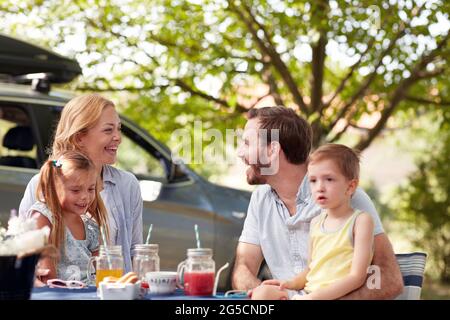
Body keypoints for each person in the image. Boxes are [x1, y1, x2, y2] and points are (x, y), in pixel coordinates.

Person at [233, 106, 403, 299]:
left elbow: (389, 278)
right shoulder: (260, 200)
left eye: (247, 143)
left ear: (272, 150)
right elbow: (243, 268)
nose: (240, 152)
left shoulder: (348, 197)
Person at [19, 93, 143, 277]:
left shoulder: (127, 184)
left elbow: (136, 251)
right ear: (79, 137)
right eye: (108, 130)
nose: (118, 137)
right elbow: (24, 251)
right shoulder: (41, 183)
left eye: (119, 129)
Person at [254, 144, 374, 300]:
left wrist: (314, 298)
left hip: (338, 296)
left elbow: (357, 277)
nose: (320, 187)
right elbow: (310, 270)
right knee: (263, 294)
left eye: (329, 179)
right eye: (313, 180)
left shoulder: (360, 221)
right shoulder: (316, 222)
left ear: (350, 186)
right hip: (308, 294)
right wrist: (289, 283)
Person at [29, 151, 108, 283]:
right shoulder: (43, 216)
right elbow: (47, 277)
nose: (85, 197)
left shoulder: (90, 226)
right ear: (54, 188)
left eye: (90, 189)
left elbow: (101, 275)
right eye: (76, 190)